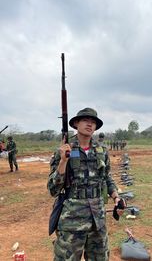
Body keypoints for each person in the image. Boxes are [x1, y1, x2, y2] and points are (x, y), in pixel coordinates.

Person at [47, 107, 125, 261]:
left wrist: (116, 196)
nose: (90, 124)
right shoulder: (65, 150)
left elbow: (107, 177)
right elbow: (53, 189)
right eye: (85, 120)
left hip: (98, 220)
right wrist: (63, 160)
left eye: (93, 122)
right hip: (72, 221)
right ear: (76, 123)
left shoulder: (101, 150)